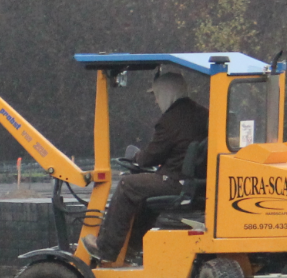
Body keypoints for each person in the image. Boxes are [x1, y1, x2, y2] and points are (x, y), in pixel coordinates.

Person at [84, 71, 209, 265]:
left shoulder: (171, 120)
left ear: (167, 93)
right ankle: (134, 249)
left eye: (157, 95)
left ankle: (106, 249)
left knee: (127, 185)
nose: (156, 101)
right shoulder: (203, 114)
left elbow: (150, 157)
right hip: (195, 183)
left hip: (176, 182)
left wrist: (136, 157)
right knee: (143, 193)